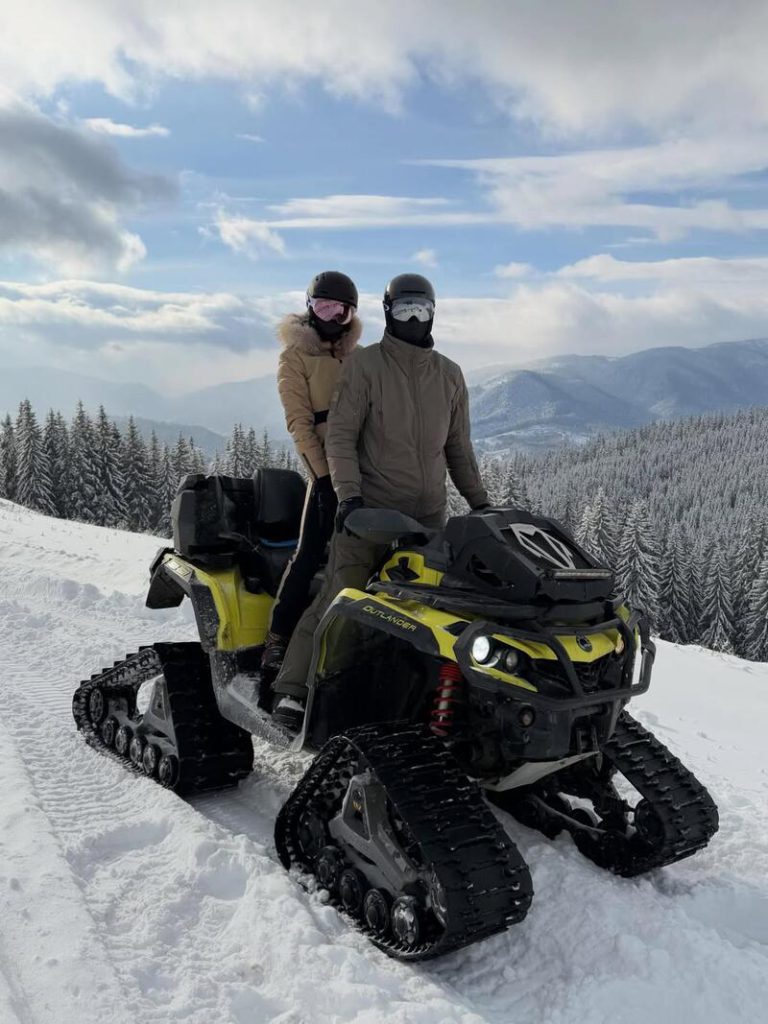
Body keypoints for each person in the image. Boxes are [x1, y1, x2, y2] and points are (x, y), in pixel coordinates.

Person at [271, 272, 489, 730]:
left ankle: (422, 699)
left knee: (432, 610)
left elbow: (458, 449)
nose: (413, 318)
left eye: (421, 309)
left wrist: (481, 504)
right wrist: (348, 497)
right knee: (342, 591)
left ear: (433, 313)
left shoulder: (449, 374)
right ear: (388, 312)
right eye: (404, 309)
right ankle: (293, 688)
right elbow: (341, 437)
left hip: (427, 516)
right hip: (371, 510)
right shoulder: (365, 365)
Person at [261, 270, 362, 678]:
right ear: (309, 309)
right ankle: (278, 638)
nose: (332, 317)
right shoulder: (295, 357)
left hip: (368, 468)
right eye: (324, 307)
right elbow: (299, 423)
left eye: (341, 311)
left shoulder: (358, 356)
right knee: (309, 552)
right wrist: (323, 478)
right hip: (325, 470)